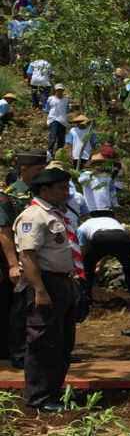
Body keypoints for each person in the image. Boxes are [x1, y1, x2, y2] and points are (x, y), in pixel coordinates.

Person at [13, 167, 79, 411]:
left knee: (62, 341)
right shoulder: (34, 216)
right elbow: (28, 256)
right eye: (61, 188)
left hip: (63, 281)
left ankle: (54, 392)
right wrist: (39, 290)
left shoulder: (57, 214)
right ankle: (38, 398)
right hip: (46, 282)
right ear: (44, 190)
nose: (66, 192)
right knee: (42, 341)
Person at [0, 150, 46, 367]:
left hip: (38, 258)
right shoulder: (9, 196)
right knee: (19, 307)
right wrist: (12, 264)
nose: (42, 173)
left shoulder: (40, 194)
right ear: (24, 169)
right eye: (38, 169)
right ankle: (19, 354)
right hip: (17, 260)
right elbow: (4, 232)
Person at [78, 215, 130, 307]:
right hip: (122, 237)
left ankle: (86, 300)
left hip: (100, 237)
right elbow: (117, 243)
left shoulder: (82, 227)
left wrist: (90, 264)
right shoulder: (113, 221)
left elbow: (82, 250)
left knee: (87, 270)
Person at [44, 84, 69, 158]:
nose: (60, 92)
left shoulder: (66, 99)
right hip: (53, 119)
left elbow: (67, 109)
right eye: (58, 90)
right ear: (55, 90)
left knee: (61, 139)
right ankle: (49, 153)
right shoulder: (50, 99)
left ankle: (58, 155)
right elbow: (46, 108)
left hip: (63, 121)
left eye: (61, 90)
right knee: (53, 137)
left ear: (63, 91)